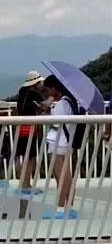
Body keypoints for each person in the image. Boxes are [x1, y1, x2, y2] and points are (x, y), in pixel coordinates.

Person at [42, 75, 79, 219]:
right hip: (65, 141)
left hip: (59, 142)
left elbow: (56, 123)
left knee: (61, 176)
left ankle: (60, 208)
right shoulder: (70, 100)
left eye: (49, 89)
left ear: (55, 88)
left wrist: (46, 113)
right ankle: (69, 205)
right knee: (66, 175)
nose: (48, 92)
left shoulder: (62, 104)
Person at [15, 71, 47, 218]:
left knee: (27, 157)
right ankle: (26, 184)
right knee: (30, 159)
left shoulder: (22, 93)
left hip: (22, 129)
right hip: (29, 131)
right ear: (35, 84)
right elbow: (44, 106)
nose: (42, 85)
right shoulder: (34, 95)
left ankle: (25, 184)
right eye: (40, 82)